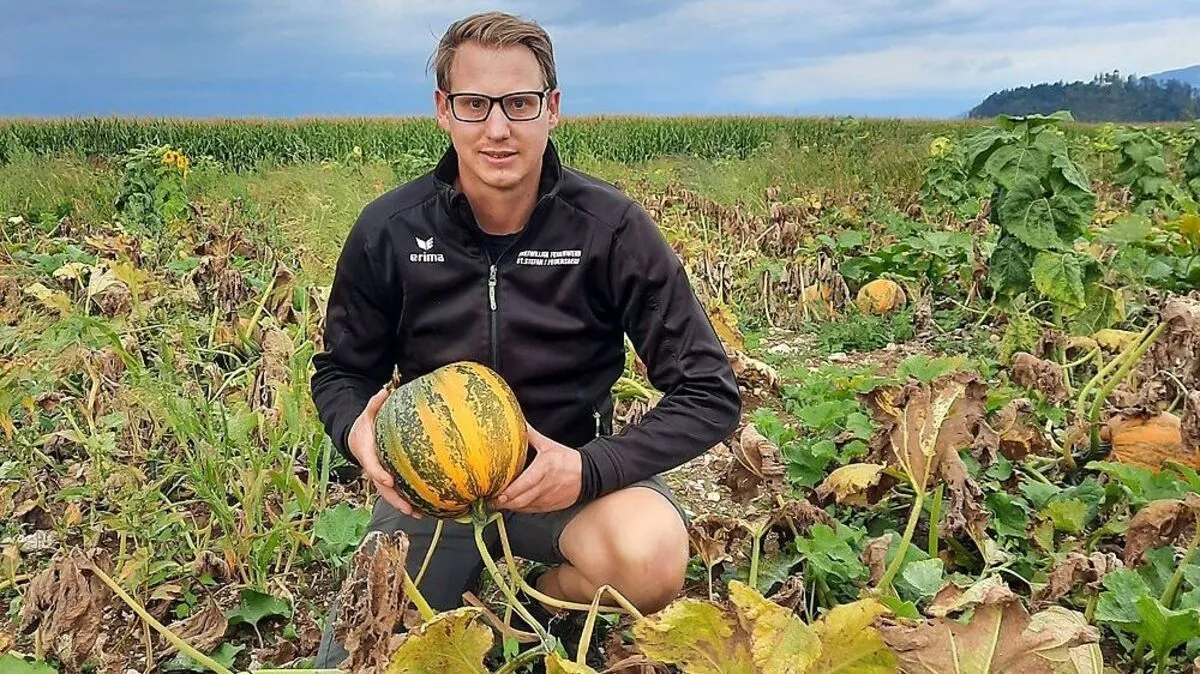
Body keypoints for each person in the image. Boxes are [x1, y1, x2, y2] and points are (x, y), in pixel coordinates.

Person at [309, 10, 740, 667]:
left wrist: (588, 468)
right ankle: (458, 592)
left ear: (553, 109)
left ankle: (533, 602)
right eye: (475, 104)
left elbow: (710, 392)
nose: (498, 127)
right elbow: (341, 373)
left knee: (652, 553)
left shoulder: (610, 229)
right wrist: (358, 437)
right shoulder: (389, 231)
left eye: (519, 102)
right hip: (434, 494)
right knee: (360, 659)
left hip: (569, 483)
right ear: (443, 110)